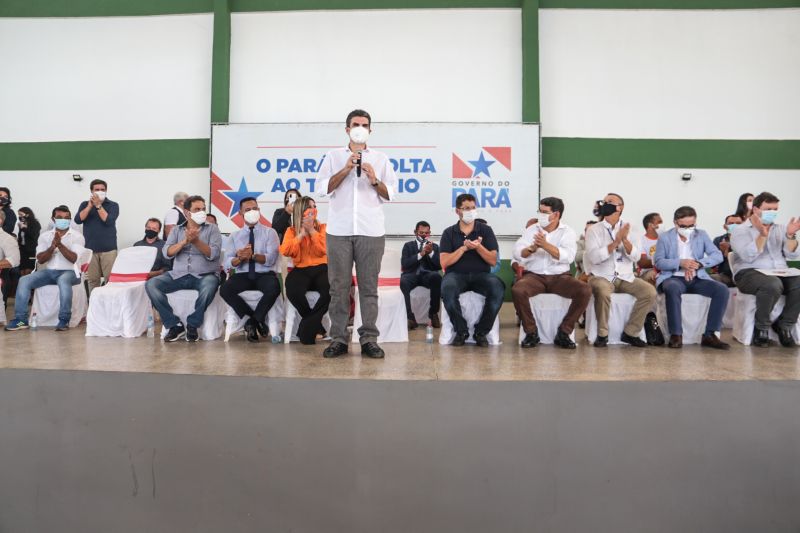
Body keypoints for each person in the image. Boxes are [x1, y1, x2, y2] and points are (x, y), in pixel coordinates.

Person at [316, 109, 398, 359]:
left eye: (364, 124)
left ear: (370, 130)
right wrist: (344, 169)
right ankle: (339, 338)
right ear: (347, 129)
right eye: (355, 124)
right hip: (339, 231)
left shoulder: (382, 159)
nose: (360, 127)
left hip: (371, 231)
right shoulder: (332, 157)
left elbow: (390, 194)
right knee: (339, 287)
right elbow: (322, 189)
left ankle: (369, 339)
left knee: (369, 287)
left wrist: (374, 179)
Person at [512, 197, 591, 349]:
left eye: (544, 212)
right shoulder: (531, 229)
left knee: (584, 290)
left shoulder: (567, 232)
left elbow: (568, 256)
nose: (541, 215)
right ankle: (531, 332)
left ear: (556, 214)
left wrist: (545, 245)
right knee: (518, 289)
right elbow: (517, 253)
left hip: (560, 277)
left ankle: (564, 332)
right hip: (534, 276)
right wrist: (531, 249)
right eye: (539, 211)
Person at [145, 195, 222, 342]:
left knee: (210, 285)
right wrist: (184, 242)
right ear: (187, 212)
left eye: (203, 209)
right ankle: (174, 325)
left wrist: (196, 241)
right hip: (178, 275)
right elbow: (167, 253)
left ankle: (193, 324)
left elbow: (214, 254)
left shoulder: (212, 230)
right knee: (151, 284)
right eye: (197, 209)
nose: (202, 212)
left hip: (204, 275)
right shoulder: (177, 230)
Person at [585, 193, 656, 347]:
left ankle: (630, 332)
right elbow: (594, 258)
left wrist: (624, 240)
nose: (605, 204)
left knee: (649, 292)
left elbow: (636, 257)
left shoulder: (632, 228)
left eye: (610, 202)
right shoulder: (594, 230)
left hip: (625, 276)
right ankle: (602, 334)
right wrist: (615, 242)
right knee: (602, 290)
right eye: (604, 201)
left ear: (620, 207)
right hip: (601, 275)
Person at [653, 206, 730, 349]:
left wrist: (699, 264)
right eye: (684, 226)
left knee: (722, 290)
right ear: (675, 223)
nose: (688, 229)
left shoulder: (701, 234)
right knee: (672, 288)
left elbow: (717, 255)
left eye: (691, 225)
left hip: (697, 278)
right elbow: (658, 261)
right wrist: (681, 263)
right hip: (673, 277)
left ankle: (710, 334)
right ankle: (676, 334)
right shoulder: (665, 237)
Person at [730, 191, 800, 347]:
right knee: (772, 284)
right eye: (768, 209)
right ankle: (761, 328)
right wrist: (762, 234)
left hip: (780, 271)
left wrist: (790, 235)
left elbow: (793, 255)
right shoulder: (740, 230)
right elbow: (748, 256)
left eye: (775, 209)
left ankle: (785, 324)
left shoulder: (781, 228)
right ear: (755, 210)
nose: (772, 213)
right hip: (749, 273)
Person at [439, 193, 505, 347]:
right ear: (457, 211)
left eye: (473, 208)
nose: (470, 211)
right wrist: (463, 248)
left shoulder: (486, 231)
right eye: (466, 208)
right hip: (456, 275)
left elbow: (492, 260)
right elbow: (444, 261)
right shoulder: (449, 233)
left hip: (481, 275)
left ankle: (481, 332)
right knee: (447, 289)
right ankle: (461, 331)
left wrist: (478, 247)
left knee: (498, 287)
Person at [5, 205, 85, 332]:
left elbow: (74, 258)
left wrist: (60, 245)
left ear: (70, 219)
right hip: (50, 272)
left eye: (67, 218)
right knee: (24, 280)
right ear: (53, 219)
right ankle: (21, 319)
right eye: (59, 217)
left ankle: (64, 319)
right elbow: (41, 259)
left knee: (63, 280)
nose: (63, 220)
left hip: (71, 272)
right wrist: (52, 247)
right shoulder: (45, 236)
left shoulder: (77, 236)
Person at [220, 197, 281, 342]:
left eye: (255, 209)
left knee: (274, 287)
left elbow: (271, 259)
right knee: (225, 289)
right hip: (242, 274)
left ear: (259, 210)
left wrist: (252, 256)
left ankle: (251, 323)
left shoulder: (270, 232)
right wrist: (239, 258)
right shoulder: (234, 236)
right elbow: (227, 262)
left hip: (264, 274)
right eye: (247, 210)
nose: (252, 212)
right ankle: (255, 319)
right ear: (240, 213)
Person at [280, 196, 330, 344]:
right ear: (302, 211)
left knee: (331, 289)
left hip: (322, 267)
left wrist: (312, 232)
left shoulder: (323, 228)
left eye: (315, 207)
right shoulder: (291, 230)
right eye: (311, 207)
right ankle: (316, 326)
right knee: (293, 290)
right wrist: (301, 234)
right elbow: (286, 250)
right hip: (301, 269)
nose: (314, 210)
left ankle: (306, 327)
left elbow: (324, 249)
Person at [74, 178, 119, 294]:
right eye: (97, 189)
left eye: (102, 189)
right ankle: (94, 307)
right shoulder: (84, 204)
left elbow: (108, 221)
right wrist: (89, 206)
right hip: (90, 250)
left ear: (106, 190)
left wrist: (98, 206)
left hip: (109, 250)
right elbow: (78, 220)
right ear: (91, 191)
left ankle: (110, 306)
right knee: (93, 280)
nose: (100, 191)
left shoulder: (113, 205)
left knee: (110, 280)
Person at [400, 221, 442, 330]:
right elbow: (405, 264)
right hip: (411, 275)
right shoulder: (408, 246)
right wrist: (421, 254)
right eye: (421, 232)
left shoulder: (435, 247)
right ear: (415, 232)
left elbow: (439, 266)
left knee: (437, 277)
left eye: (426, 233)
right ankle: (410, 318)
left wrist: (431, 253)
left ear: (429, 233)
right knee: (403, 281)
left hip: (427, 275)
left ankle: (433, 314)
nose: (423, 235)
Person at [710, 214, 742, 287]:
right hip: (726, 275)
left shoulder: (748, 239)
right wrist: (722, 252)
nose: (735, 225)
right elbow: (713, 264)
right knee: (709, 278)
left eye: (738, 223)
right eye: (731, 223)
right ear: (725, 226)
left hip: (744, 275)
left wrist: (729, 250)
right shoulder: (718, 240)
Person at [637, 212, 662, 284]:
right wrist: (660, 261)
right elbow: (642, 263)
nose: (662, 224)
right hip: (648, 271)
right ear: (650, 225)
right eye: (659, 222)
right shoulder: (641, 241)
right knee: (653, 275)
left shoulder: (665, 239)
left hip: (665, 270)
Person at [16, 207, 41, 275]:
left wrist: (25, 227)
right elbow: (21, 237)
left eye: (21, 214)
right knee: (22, 271)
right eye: (19, 215)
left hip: (31, 251)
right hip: (22, 251)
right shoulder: (22, 224)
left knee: (29, 271)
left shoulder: (35, 223)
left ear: (27, 214)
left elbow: (34, 236)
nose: (20, 216)